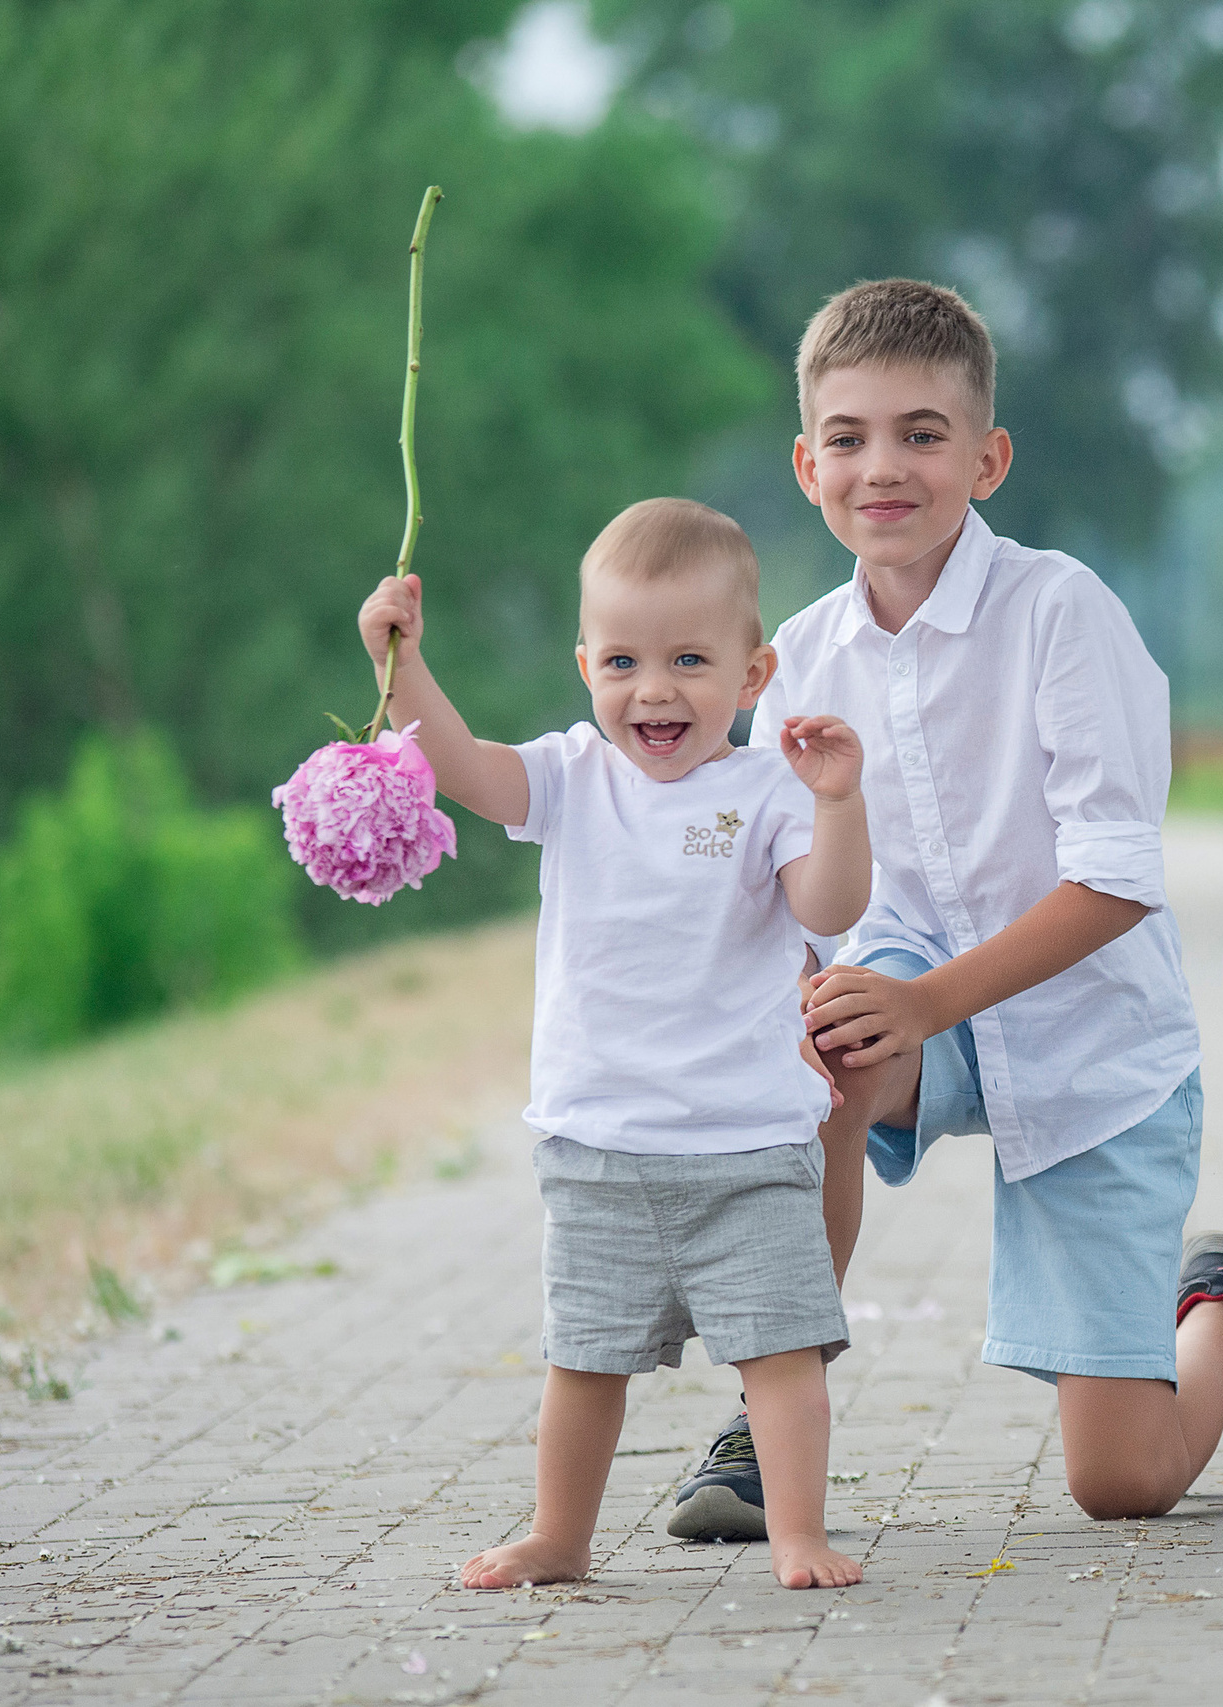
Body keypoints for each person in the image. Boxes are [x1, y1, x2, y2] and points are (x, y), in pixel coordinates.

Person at [666, 279, 1223, 1537]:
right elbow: (766, 883)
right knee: (820, 1046)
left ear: (986, 459)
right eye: (849, 436)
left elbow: (1112, 883)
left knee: (1121, 1485)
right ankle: (775, 1408)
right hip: (909, 1000)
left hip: (1096, 1046)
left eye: (922, 435)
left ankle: (1211, 1307)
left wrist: (926, 999)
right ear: (806, 462)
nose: (884, 466)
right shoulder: (797, 662)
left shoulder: (1061, 614)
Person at [354, 497, 873, 1590]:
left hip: (747, 1149)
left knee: (782, 1359)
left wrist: (838, 804)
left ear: (753, 673)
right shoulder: (569, 777)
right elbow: (455, 763)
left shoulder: (767, 793)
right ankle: (560, 1535)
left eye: (690, 659)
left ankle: (796, 1533)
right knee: (583, 1363)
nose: (654, 690)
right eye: (624, 660)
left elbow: (831, 899)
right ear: (585, 663)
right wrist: (400, 664)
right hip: (599, 1146)